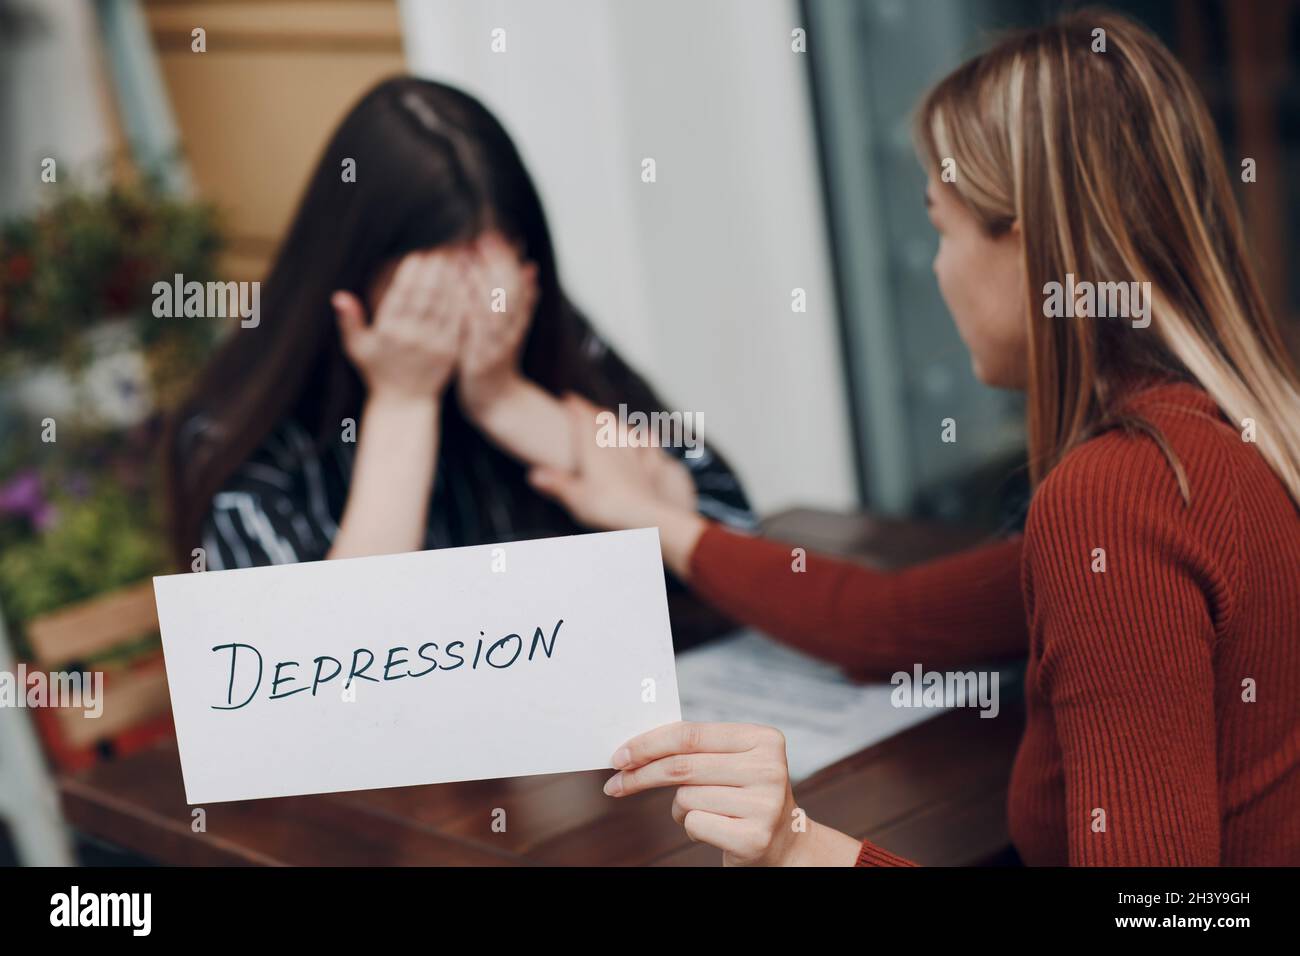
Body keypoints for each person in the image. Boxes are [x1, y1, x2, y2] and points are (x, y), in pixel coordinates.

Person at [528, 10, 1300, 865]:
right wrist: (663, 522)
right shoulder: (1226, 440)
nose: (935, 268)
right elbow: (888, 626)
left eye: (941, 225)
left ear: (1030, 245)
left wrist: (798, 847)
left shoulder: (1116, 498)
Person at [163, 77, 753, 648]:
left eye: (491, 278)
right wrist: (404, 403)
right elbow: (316, 668)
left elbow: (728, 533)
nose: (474, 313)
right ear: (352, 275)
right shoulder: (242, 434)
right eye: (433, 291)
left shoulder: (544, 337)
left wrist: (508, 400)